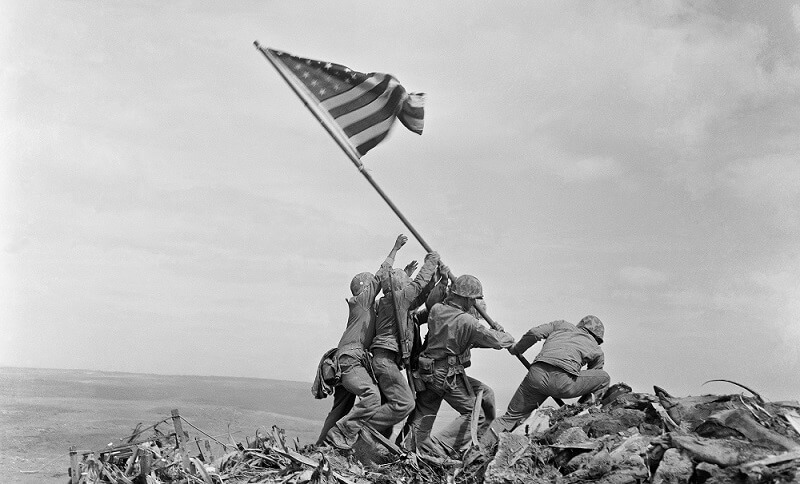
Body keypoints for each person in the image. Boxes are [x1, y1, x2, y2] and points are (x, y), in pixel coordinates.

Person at [406, 274, 515, 457]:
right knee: (476, 414)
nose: (474, 303)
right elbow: (496, 341)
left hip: (428, 371)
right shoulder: (468, 322)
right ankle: (440, 448)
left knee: (426, 412)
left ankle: (408, 447)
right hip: (446, 375)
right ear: (465, 298)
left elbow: (470, 338)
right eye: (473, 300)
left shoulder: (437, 310)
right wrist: (505, 334)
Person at [321, 235, 408, 449]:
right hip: (351, 360)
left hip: (349, 360)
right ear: (364, 288)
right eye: (371, 286)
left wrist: (405, 276)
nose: (375, 288)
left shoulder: (366, 309)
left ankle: (322, 446)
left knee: (341, 407)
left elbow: (392, 297)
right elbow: (381, 276)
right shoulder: (361, 302)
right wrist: (395, 249)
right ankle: (343, 434)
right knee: (372, 396)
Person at [490, 315, 610, 436]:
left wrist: (516, 349)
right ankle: (582, 413)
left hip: (536, 376)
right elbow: (593, 379)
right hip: (563, 383)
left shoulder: (561, 325)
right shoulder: (596, 349)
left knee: (509, 418)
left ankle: (478, 447)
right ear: (597, 338)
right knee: (604, 378)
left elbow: (535, 333)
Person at [363, 249, 440, 436]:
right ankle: (364, 428)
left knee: (390, 405)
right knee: (405, 403)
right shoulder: (398, 300)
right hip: (386, 361)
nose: (409, 286)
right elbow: (419, 285)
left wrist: (437, 280)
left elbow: (420, 295)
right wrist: (431, 261)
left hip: (386, 361)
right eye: (406, 283)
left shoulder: (391, 302)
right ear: (400, 287)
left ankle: (372, 442)